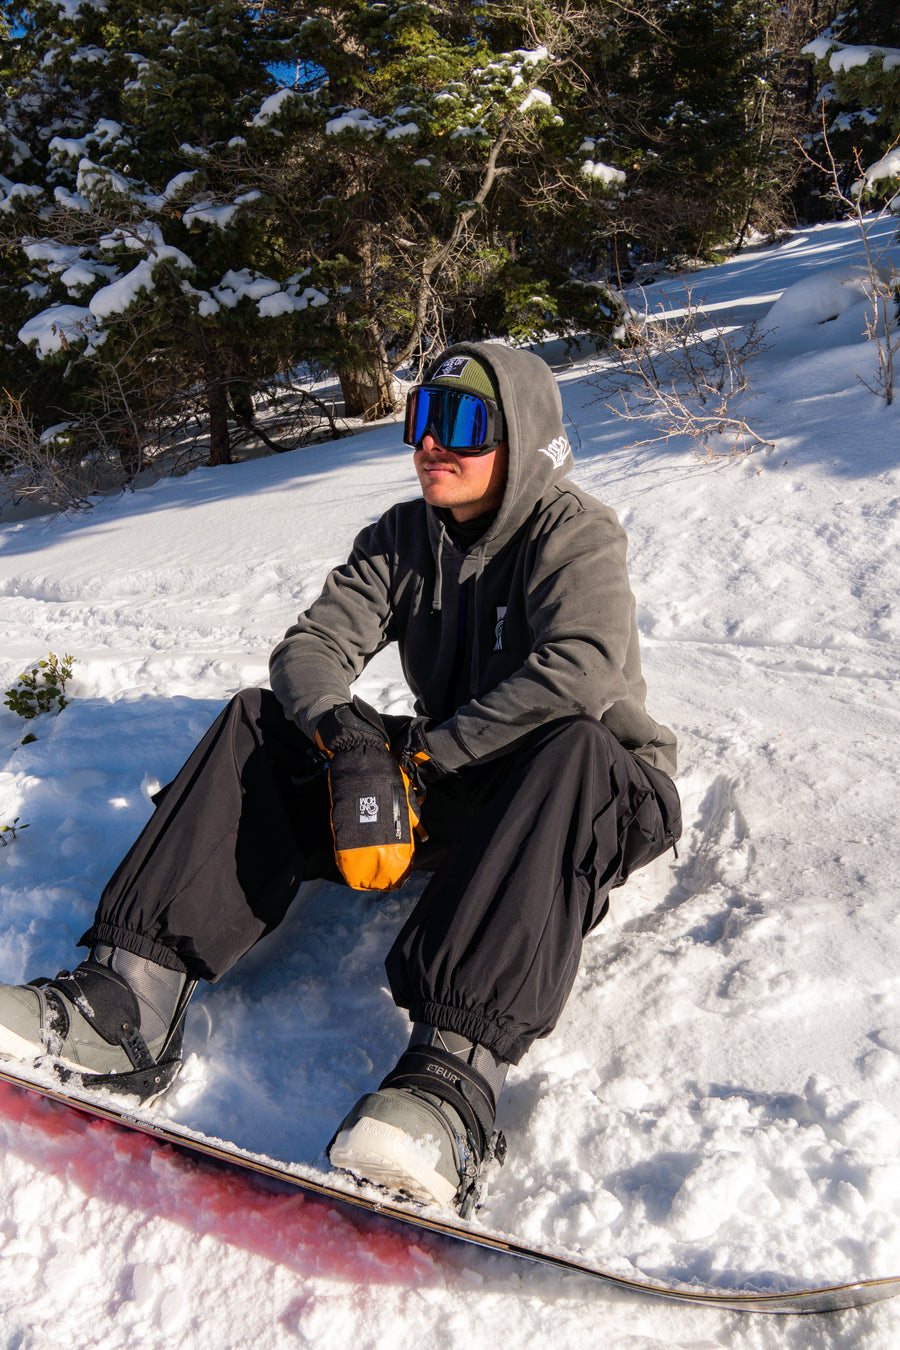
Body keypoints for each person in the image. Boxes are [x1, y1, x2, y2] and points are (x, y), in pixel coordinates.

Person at [0, 342, 681, 1213]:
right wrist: (348, 740)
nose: (432, 444)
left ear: (524, 441)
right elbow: (312, 647)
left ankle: (451, 1086)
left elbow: (581, 670)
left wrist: (421, 757)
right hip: (463, 783)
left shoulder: (575, 532)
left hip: (594, 792)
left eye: (463, 424)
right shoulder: (403, 537)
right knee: (260, 719)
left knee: (573, 746)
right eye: (421, 420)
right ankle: (122, 1003)